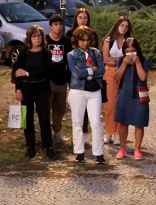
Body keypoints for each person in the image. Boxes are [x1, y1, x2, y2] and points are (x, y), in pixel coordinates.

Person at [12, 25, 56, 160]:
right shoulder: (24, 52)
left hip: (42, 88)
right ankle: (30, 146)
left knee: (44, 118)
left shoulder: (46, 53)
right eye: (34, 36)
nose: (37, 38)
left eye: (39, 36)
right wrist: (18, 89)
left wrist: (27, 73)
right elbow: (17, 72)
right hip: (26, 89)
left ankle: (48, 147)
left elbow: (45, 71)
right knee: (27, 119)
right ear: (29, 38)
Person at [66, 26, 106, 164]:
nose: (85, 43)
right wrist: (90, 69)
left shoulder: (96, 53)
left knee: (96, 121)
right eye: (82, 40)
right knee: (77, 121)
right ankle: (79, 152)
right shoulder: (71, 55)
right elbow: (76, 73)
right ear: (77, 40)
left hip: (94, 90)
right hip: (78, 90)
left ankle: (99, 153)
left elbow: (101, 70)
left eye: (87, 40)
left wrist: (85, 70)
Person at [112, 36, 150, 160]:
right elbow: (117, 77)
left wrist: (138, 62)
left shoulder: (144, 60)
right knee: (123, 122)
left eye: (133, 50)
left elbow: (143, 77)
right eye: (127, 51)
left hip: (139, 94)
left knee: (139, 122)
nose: (130, 54)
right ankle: (122, 149)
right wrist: (123, 64)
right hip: (125, 93)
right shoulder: (121, 60)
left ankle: (137, 149)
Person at [101, 15, 132, 144]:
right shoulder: (109, 40)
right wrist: (120, 60)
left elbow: (130, 57)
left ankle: (119, 132)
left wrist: (116, 60)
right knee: (111, 104)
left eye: (126, 26)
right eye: (122, 25)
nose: (124, 28)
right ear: (117, 25)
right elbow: (106, 58)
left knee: (123, 104)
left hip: (125, 73)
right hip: (110, 73)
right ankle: (109, 130)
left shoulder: (129, 41)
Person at [45, 14, 72, 148]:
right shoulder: (45, 40)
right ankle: (46, 133)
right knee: (47, 106)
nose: (59, 27)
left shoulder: (66, 41)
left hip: (62, 80)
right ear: (50, 26)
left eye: (60, 24)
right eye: (56, 24)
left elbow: (70, 60)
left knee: (60, 108)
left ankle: (57, 131)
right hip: (48, 80)